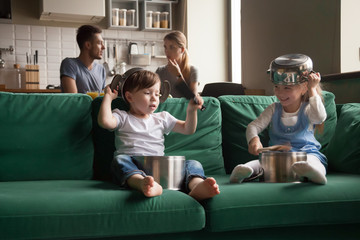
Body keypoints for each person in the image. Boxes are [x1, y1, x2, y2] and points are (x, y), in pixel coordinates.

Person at [97, 69, 220, 200]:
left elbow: (187, 129)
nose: (154, 98)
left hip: (159, 167)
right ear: (129, 97)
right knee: (120, 160)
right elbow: (105, 121)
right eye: (147, 93)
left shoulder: (162, 118)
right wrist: (108, 98)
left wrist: (191, 111)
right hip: (133, 163)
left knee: (193, 164)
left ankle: (197, 186)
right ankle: (142, 183)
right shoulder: (122, 116)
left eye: (157, 94)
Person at [230, 56, 328, 185]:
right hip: (276, 159)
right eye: (277, 86)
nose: (280, 93)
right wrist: (253, 139)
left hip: (305, 154)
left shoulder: (309, 109)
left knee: (314, 160)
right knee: (260, 163)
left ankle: (315, 173)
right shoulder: (273, 109)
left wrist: (312, 89)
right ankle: (244, 171)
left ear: (304, 88)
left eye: (287, 88)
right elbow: (253, 126)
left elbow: (319, 118)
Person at [60, 25, 106, 93]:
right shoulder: (69, 64)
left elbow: (101, 98)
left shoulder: (101, 69)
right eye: (99, 43)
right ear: (88, 45)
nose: (103, 47)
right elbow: (73, 98)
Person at [156, 31, 199, 98]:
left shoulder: (193, 70)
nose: (167, 51)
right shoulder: (160, 71)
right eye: (165, 47)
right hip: (165, 108)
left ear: (182, 49)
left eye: (172, 47)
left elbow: (192, 99)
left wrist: (178, 75)